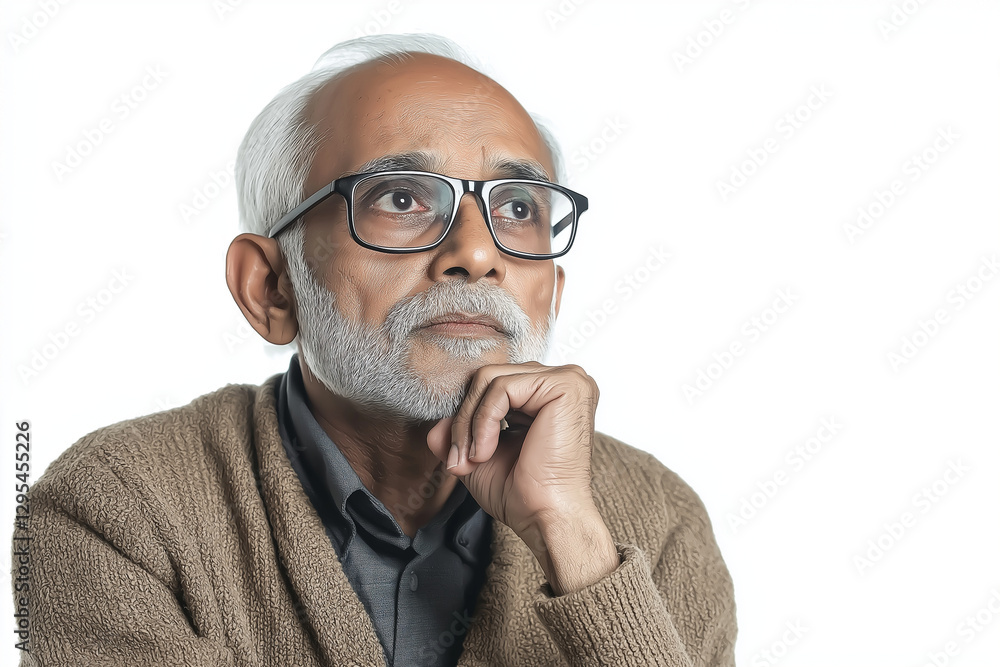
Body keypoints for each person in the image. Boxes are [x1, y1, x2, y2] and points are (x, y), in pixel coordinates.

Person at [12, 34, 737, 666]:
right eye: (401, 198)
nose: (477, 254)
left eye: (518, 209)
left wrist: (571, 539)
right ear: (271, 288)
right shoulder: (116, 508)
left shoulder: (659, 521)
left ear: (553, 290)